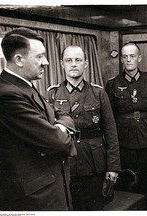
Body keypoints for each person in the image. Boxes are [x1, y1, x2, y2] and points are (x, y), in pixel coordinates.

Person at [0, 27, 76, 211]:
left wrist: (57, 126)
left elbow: (63, 114)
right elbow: (57, 141)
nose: (46, 62)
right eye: (39, 57)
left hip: (48, 189)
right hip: (34, 198)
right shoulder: (8, 95)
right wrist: (59, 129)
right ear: (19, 60)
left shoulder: (24, 86)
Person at [47, 45, 121, 210]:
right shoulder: (53, 94)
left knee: (94, 207)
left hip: (93, 162)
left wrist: (113, 167)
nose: (73, 64)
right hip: (65, 162)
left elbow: (111, 132)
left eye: (78, 60)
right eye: (69, 60)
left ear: (86, 64)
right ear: (62, 64)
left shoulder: (98, 93)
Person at [105, 42, 147, 209]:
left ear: (139, 58)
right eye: (125, 57)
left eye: (132, 56)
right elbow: (108, 118)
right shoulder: (112, 84)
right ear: (121, 61)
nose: (128, 60)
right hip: (124, 141)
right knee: (126, 183)